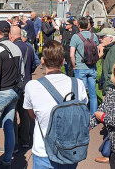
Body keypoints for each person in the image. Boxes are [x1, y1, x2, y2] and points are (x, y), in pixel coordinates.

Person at [23, 40, 88, 168]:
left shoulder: (32, 86)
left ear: (42, 61)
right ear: (63, 61)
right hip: (70, 149)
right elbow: (82, 110)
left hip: (43, 150)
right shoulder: (77, 84)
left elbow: (32, 114)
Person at [0, 20, 22, 167]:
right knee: (9, 127)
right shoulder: (16, 48)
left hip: (3, 92)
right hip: (15, 91)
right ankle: (7, 160)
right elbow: (21, 73)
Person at [9, 26, 37, 150]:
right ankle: (25, 140)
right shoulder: (29, 48)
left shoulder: (11, 48)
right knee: (25, 114)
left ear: (11, 35)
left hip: (14, 85)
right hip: (27, 84)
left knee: (13, 114)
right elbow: (34, 65)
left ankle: (14, 144)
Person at [70, 17, 99, 115]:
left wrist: (74, 66)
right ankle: (93, 115)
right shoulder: (93, 36)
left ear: (78, 25)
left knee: (80, 93)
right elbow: (97, 51)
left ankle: (82, 114)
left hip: (80, 67)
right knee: (93, 94)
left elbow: (71, 54)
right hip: (92, 67)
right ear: (88, 25)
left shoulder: (75, 37)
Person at [97, 28, 115, 95]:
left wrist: (106, 87)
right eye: (100, 37)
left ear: (111, 39)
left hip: (112, 89)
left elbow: (114, 72)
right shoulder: (108, 49)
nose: (100, 39)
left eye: (102, 37)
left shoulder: (114, 50)